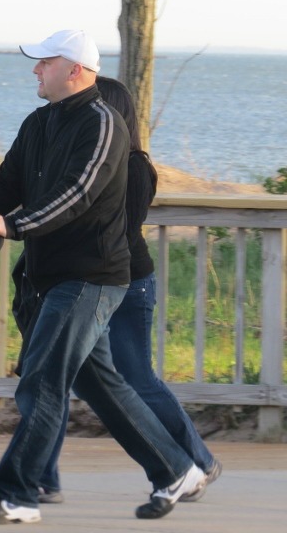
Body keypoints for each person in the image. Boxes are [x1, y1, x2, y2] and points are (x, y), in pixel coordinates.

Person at [0, 29, 206, 524]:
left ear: (75, 69)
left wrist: (14, 224)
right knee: (101, 385)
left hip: (91, 277)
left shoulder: (104, 125)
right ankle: (177, 470)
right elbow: (8, 180)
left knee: (43, 380)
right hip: (50, 276)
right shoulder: (39, 123)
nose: (35, 70)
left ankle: (17, 494)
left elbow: (78, 193)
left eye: (44, 62)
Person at [12, 76, 222, 507]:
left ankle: (196, 461)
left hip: (121, 285)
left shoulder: (132, 167)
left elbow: (108, 229)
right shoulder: (79, 154)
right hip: (79, 280)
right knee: (61, 377)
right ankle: (42, 479)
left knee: (133, 379)